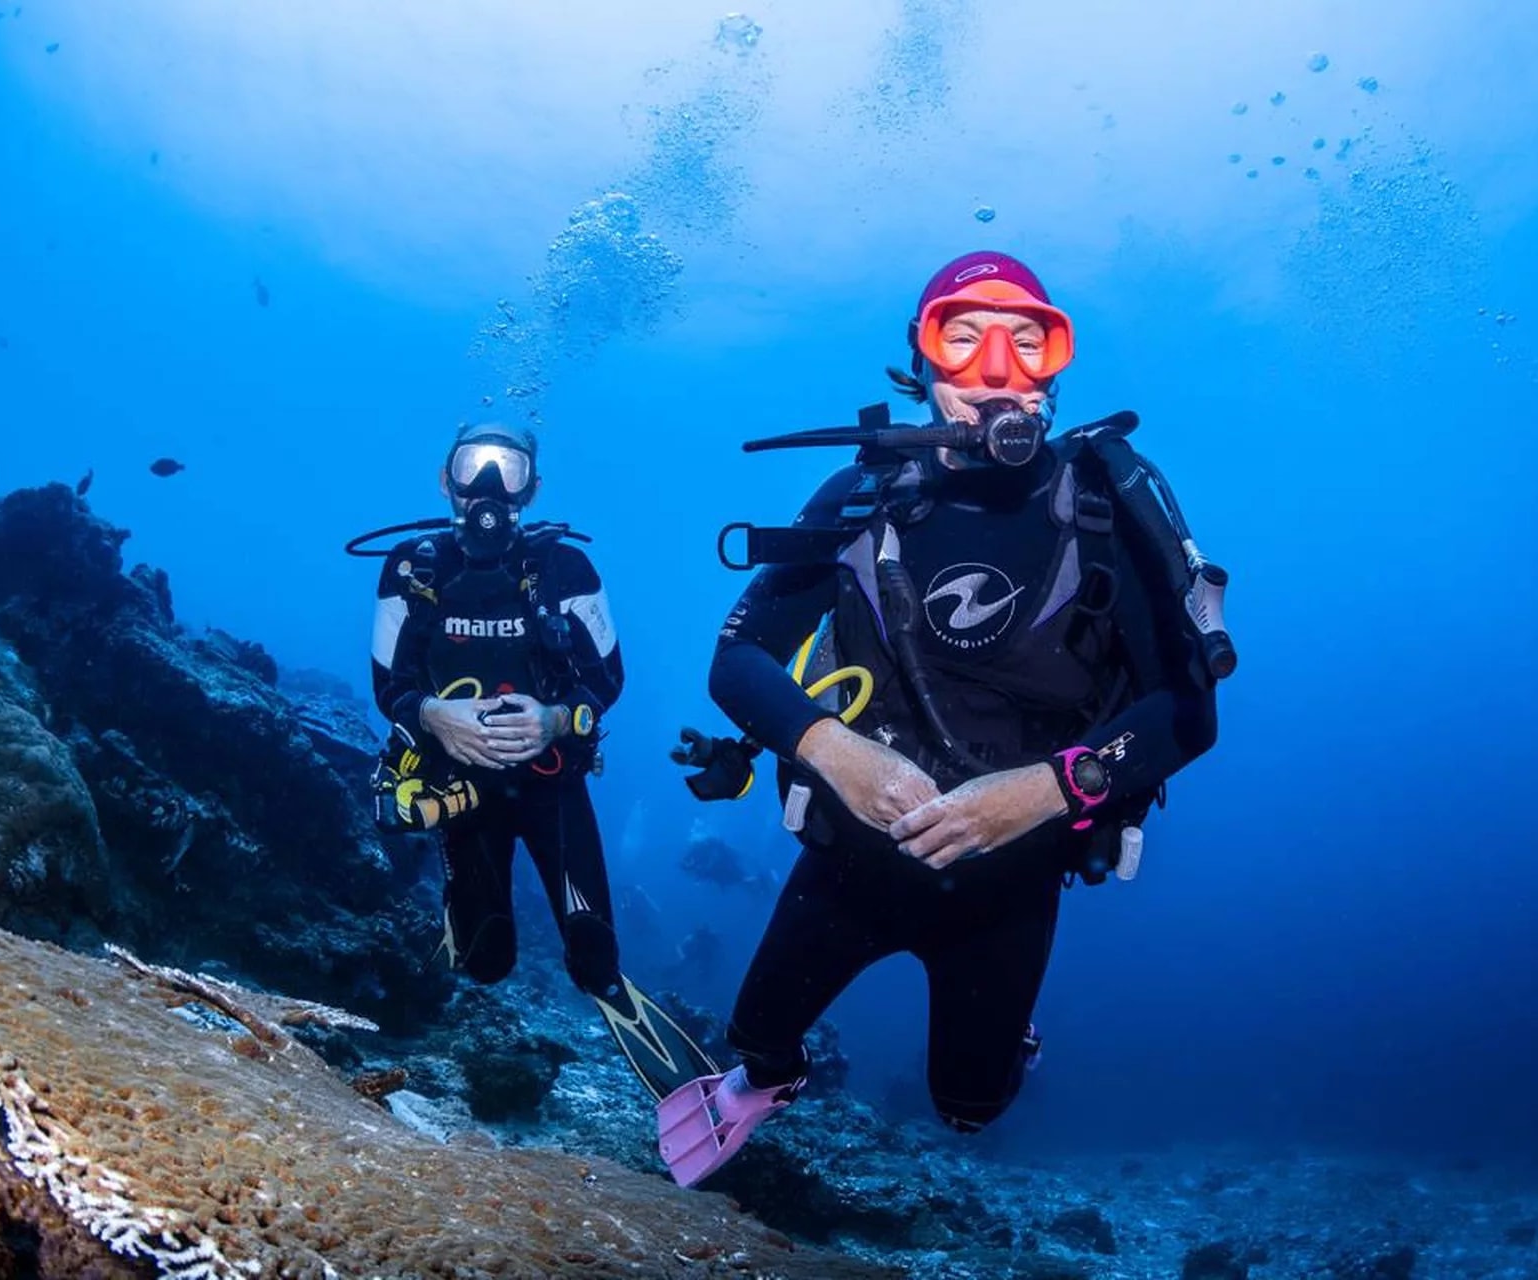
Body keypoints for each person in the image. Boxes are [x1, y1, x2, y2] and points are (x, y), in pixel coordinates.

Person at [658, 251, 1230, 1186]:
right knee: (754, 1037)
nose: (996, 369)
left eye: (1026, 339)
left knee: (970, 1110)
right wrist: (832, 751)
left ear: (1054, 364)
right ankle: (769, 1081)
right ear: (919, 368)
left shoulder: (1102, 506)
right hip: (850, 857)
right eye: (961, 339)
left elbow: (1189, 714)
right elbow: (737, 658)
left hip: (1014, 879)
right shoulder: (861, 496)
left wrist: (1047, 791)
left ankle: (1009, 1045)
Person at [366, 421, 712, 1100]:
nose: (490, 488)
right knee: (488, 962)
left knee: (594, 959)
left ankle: (615, 995)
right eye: (474, 466)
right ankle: (459, 914)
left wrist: (555, 719)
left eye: (510, 470)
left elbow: (607, 680)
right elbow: (390, 688)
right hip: (462, 791)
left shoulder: (565, 569)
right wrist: (434, 715)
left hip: (552, 787)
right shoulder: (412, 568)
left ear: (534, 486)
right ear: (447, 479)